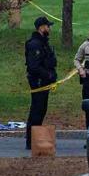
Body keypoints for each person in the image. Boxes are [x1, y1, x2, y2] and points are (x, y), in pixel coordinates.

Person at [25, 16, 58, 149]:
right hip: (38, 81)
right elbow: (34, 66)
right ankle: (31, 141)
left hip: (44, 82)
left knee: (42, 109)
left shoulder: (43, 43)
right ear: (41, 27)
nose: (49, 28)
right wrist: (48, 75)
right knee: (37, 110)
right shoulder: (35, 44)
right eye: (47, 26)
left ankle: (35, 139)